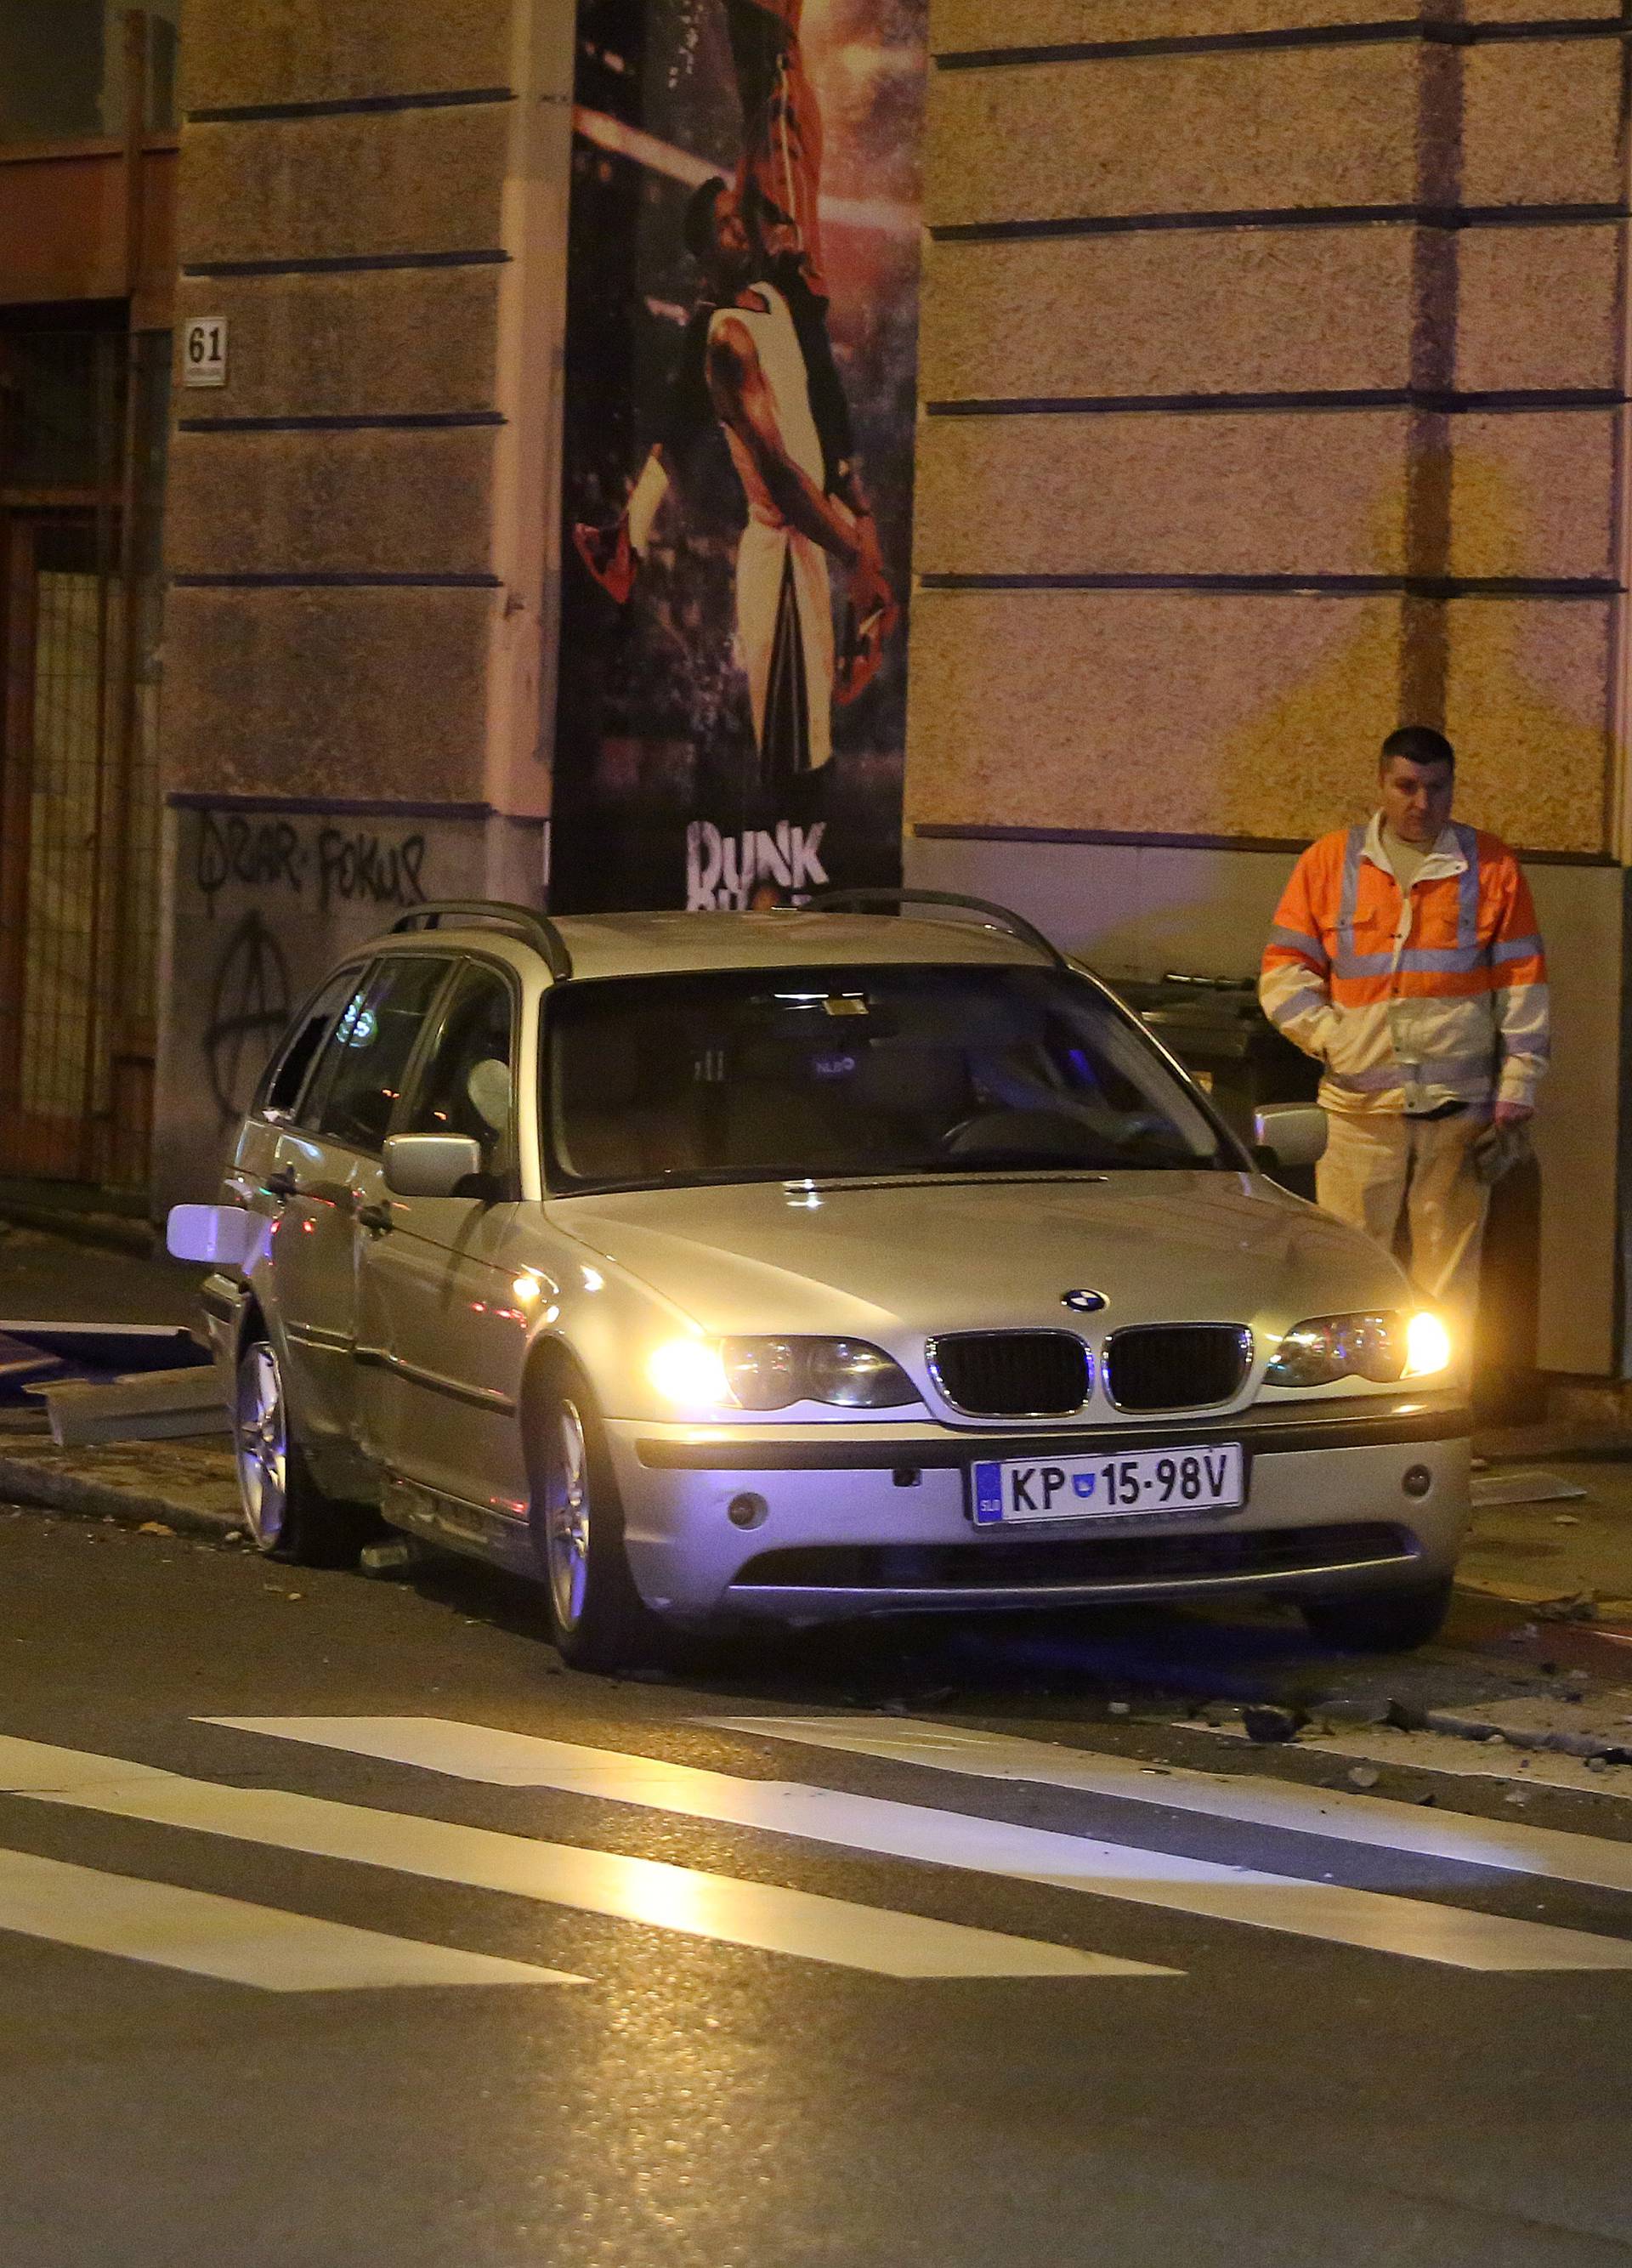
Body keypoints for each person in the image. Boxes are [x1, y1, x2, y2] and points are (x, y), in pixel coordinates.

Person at [572, 0, 896, 760]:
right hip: (789, 498)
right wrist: (861, 544)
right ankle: (630, 537)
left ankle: (629, 536)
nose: (737, 223)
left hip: (788, 332)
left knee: (730, 344)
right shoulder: (774, 152)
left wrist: (860, 541)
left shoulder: (773, 146)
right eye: (727, 224)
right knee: (727, 340)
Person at [1258, 726, 1549, 1323]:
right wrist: (1333, 1040)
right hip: (1359, 1108)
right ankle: (1354, 1401)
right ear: (1382, 785)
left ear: (1453, 787)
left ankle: (1440, 1403)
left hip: (1458, 1111)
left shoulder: (1490, 865)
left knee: (1450, 1278)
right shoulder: (1328, 863)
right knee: (1351, 1269)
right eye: (1407, 787)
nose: (1422, 803)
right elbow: (1284, 973)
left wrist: (1519, 1085)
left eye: (1437, 788)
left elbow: (1523, 981)